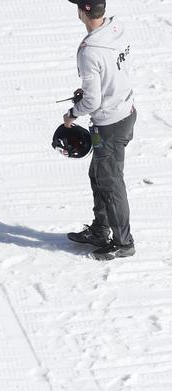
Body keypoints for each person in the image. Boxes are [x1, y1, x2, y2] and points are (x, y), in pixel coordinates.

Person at [63, 0, 136, 261]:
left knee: (110, 183)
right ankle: (100, 230)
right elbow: (114, 69)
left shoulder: (88, 50)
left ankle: (123, 243)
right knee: (98, 174)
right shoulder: (116, 27)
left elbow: (92, 102)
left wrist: (72, 114)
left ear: (83, 10)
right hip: (125, 112)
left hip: (109, 124)